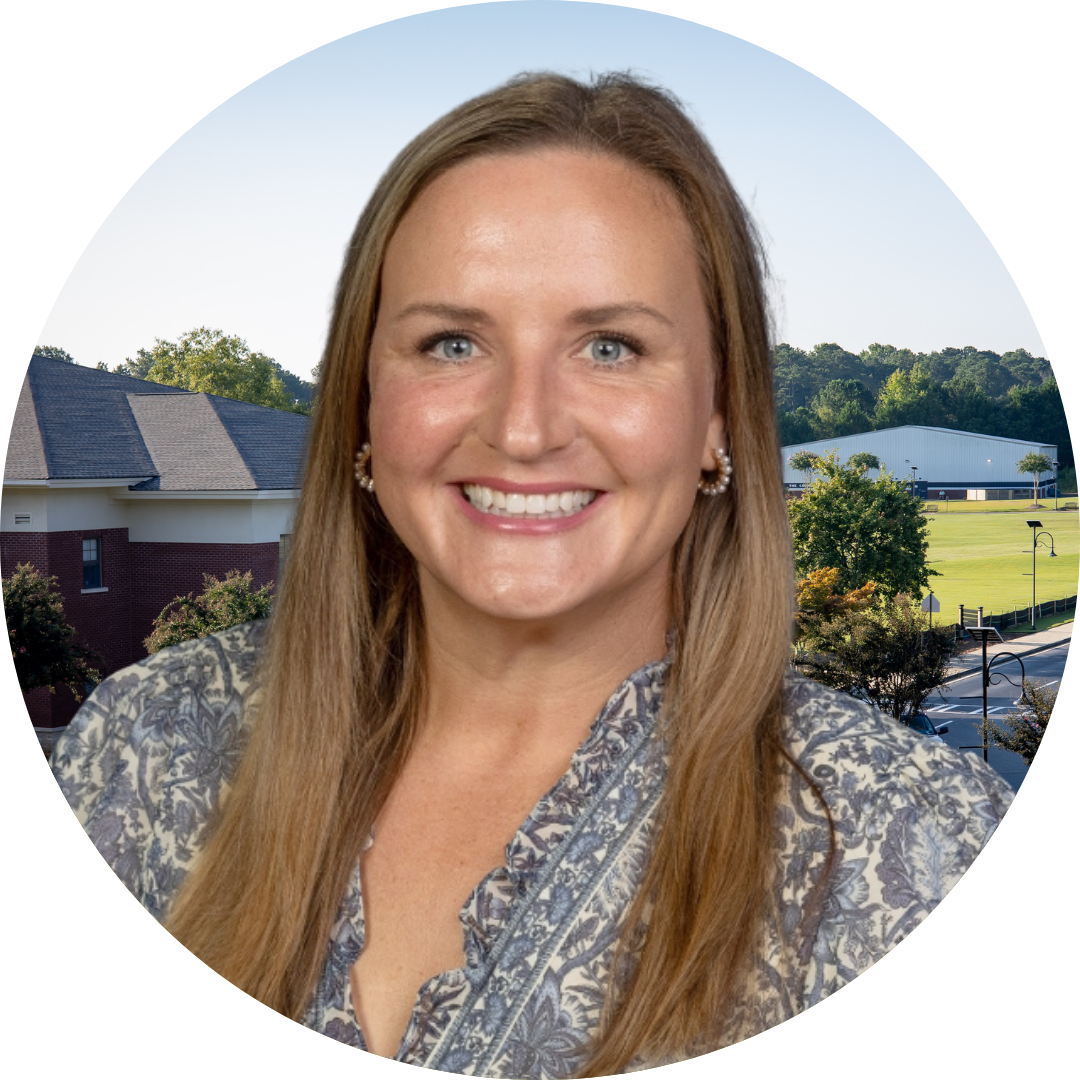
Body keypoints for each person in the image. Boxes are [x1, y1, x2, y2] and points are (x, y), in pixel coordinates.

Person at [50, 72, 1012, 1076]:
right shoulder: (139, 752)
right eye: (451, 342)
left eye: (610, 345)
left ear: (719, 419)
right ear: (363, 408)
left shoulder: (910, 841)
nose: (523, 427)